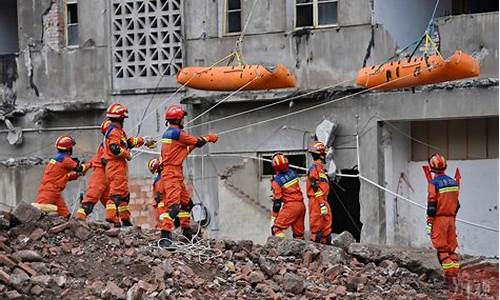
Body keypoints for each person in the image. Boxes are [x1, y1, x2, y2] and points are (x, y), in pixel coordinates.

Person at [158, 104, 217, 249]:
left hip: (175, 173)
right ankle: (165, 237)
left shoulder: (169, 133)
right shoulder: (179, 133)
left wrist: (196, 144)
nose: (184, 120)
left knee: (186, 204)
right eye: (182, 118)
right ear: (178, 120)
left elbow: (183, 149)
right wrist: (209, 138)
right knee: (174, 208)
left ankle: (186, 231)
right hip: (172, 174)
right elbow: (198, 142)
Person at [103, 103, 156, 227]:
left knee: (124, 195)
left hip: (116, 166)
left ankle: (125, 220)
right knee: (116, 194)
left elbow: (127, 142)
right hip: (116, 166)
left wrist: (144, 141)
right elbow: (114, 148)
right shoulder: (115, 131)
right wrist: (126, 154)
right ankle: (110, 216)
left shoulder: (117, 130)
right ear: (120, 118)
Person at [424, 153, 461, 284]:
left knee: (443, 250)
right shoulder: (454, 182)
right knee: (452, 250)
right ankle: (455, 276)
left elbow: (432, 205)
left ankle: (449, 280)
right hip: (451, 219)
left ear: (431, 167)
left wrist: (429, 223)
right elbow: (457, 204)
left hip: (439, 220)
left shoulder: (433, 183)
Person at [35, 135, 90, 218]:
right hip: (49, 191)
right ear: (69, 149)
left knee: (66, 215)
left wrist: (77, 175)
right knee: (39, 214)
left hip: (53, 191)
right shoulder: (65, 160)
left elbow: (62, 176)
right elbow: (79, 168)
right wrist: (89, 164)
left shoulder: (57, 159)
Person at [76, 120, 115, 223]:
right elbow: (102, 160)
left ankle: (117, 225)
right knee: (89, 203)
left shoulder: (106, 145)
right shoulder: (107, 146)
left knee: (112, 202)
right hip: (100, 175)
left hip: (107, 175)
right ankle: (79, 222)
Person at [269, 153, 306, 240]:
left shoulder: (276, 181)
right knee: (298, 235)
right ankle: (300, 252)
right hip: (301, 206)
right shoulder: (293, 173)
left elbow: (277, 202)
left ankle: (282, 248)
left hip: (291, 207)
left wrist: (274, 217)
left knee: (277, 229)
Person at [306, 141, 333, 244]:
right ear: (321, 155)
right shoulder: (314, 168)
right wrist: (321, 203)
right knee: (316, 226)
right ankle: (314, 252)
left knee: (326, 226)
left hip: (323, 200)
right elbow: (314, 185)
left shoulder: (321, 169)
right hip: (317, 201)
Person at [147, 158, 164, 228]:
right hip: (160, 203)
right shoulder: (160, 177)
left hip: (161, 203)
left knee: (162, 220)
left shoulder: (160, 178)